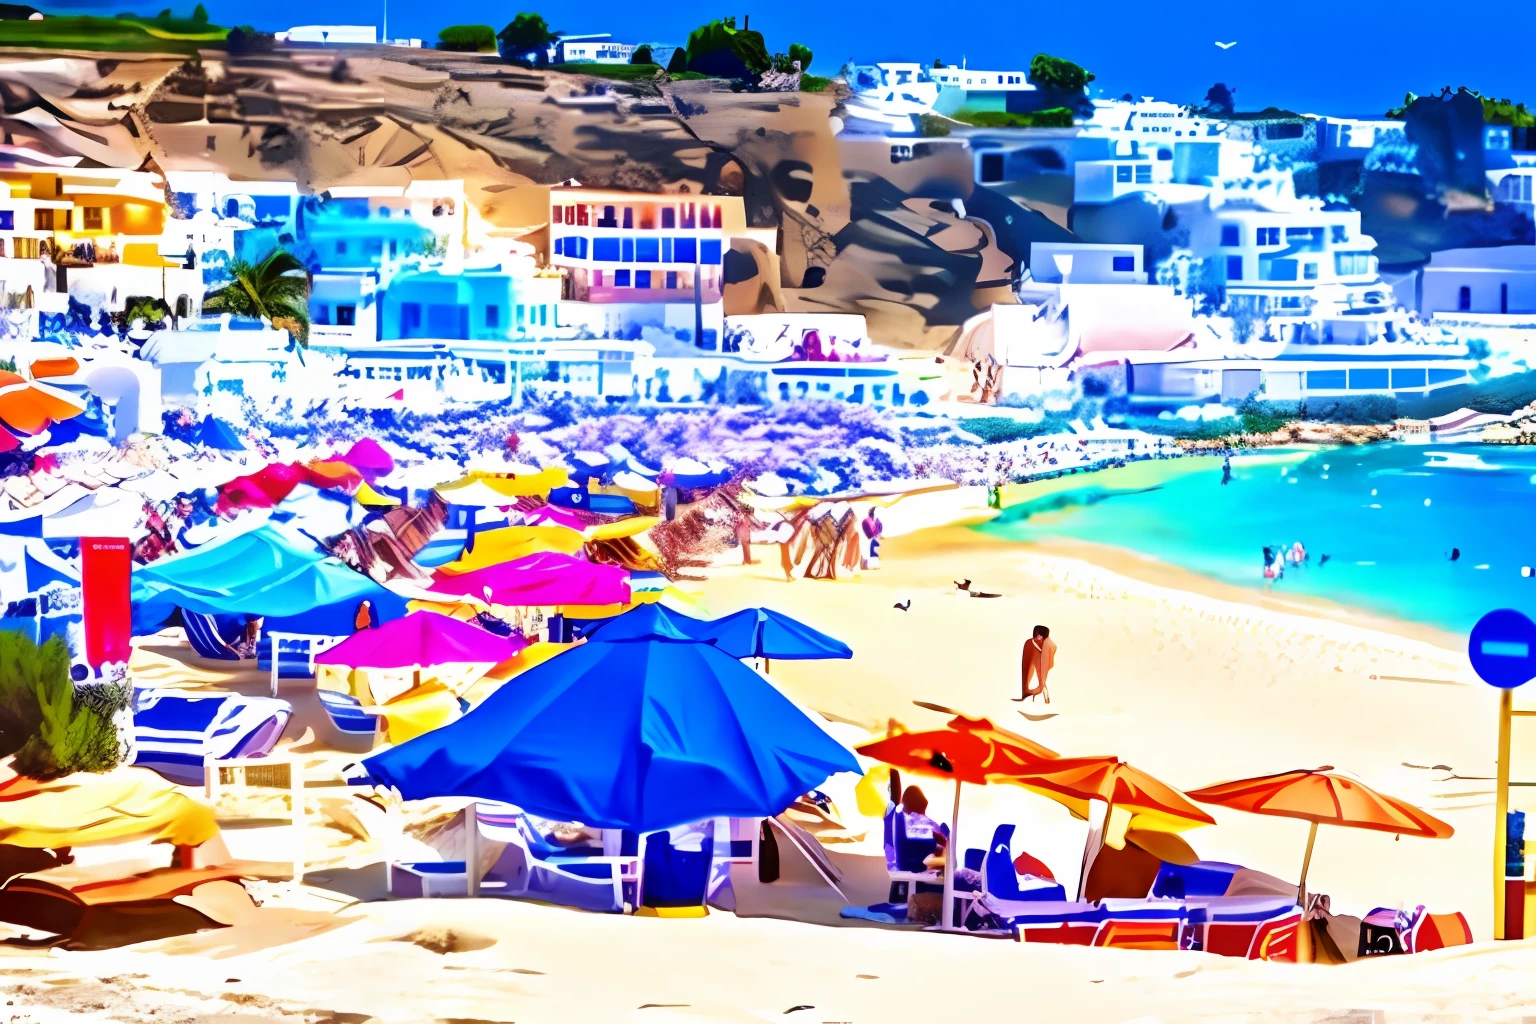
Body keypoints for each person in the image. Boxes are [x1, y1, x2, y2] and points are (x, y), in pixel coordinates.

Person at [1014, 625, 1056, 703]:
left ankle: (1030, 692)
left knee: (1031, 647)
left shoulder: (1047, 645)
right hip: (1040, 656)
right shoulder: (1036, 644)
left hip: (1043, 659)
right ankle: (1027, 691)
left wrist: (1040, 687)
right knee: (1031, 646)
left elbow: (1048, 664)